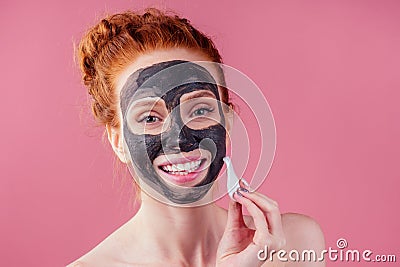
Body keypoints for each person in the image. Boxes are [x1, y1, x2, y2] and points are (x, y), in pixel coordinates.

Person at [68, 8, 325, 267]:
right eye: (149, 118)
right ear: (118, 141)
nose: (180, 140)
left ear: (227, 121)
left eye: (200, 110)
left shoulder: (293, 243)